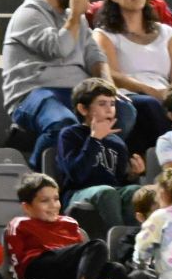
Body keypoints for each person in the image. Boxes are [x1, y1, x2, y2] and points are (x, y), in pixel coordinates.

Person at [4, 0, 133, 169]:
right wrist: (74, 16)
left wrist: (107, 86)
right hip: (34, 93)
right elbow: (58, 49)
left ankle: (99, 170)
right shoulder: (29, 13)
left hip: (75, 92)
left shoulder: (77, 18)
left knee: (126, 111)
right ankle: (39, 180)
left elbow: (95, 55)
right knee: (62, 123)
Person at [4, 172, 128, 279]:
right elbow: (15, 257)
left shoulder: (70, 223)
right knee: (97, 245)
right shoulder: (19, 224)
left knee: (117, 269)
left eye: (56, 199)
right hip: (39, 267)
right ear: (27, 207)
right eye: (45, 201)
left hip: (67, 271)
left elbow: (83, 258)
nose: (53, 205)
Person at [93, 0, 172, 151]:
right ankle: (169, 163)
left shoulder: (167, 32)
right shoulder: (104, 34)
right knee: (150, 105)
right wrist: (149, 90)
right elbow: (111, 74)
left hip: (166, 94)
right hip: (130, 96)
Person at [59, 78, 147, 233]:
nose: (109, 109)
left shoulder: (117, 142)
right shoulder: (70, 134)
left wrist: (133, 175)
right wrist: (94, 140)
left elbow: (118, 181)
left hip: (110, 191)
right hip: (78, 192)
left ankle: (133, 240)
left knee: (134, 190)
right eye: (102, 104)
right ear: (83, 109)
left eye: (112, 104)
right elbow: (77, 174)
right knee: (107, 192)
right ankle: (118, 241)